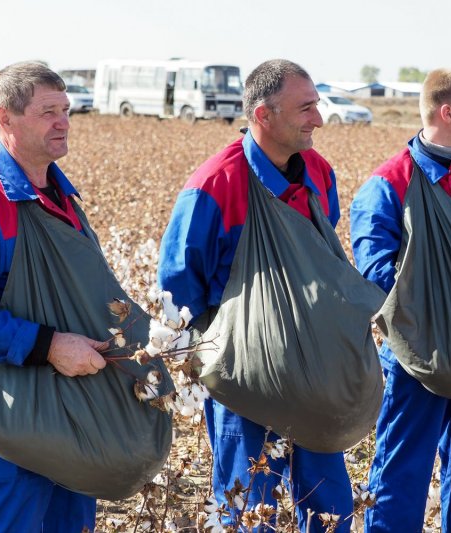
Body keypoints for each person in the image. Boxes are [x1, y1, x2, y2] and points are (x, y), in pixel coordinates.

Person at [157, 60, 352, 532]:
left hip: (315, 369)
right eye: (305, 108)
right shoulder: (215, 185)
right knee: (249, 504)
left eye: (317, 106)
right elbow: (179, 287)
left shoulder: (318, 175)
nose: (318, 119)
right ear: (264, 115)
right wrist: (219, 360)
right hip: (244, 379)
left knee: (329, 503)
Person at [0, 62, 109, 531]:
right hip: (11, 416)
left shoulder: (62, 197)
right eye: (47, 111)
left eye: (66, 110)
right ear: (5, 118)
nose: (63, 122)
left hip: (71, 412)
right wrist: (50, 345)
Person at [351, 68, 451, 531]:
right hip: (414, 351)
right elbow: (376, 273)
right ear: (447, 112)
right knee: (404, 462)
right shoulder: (388, 184)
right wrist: (446, 300)